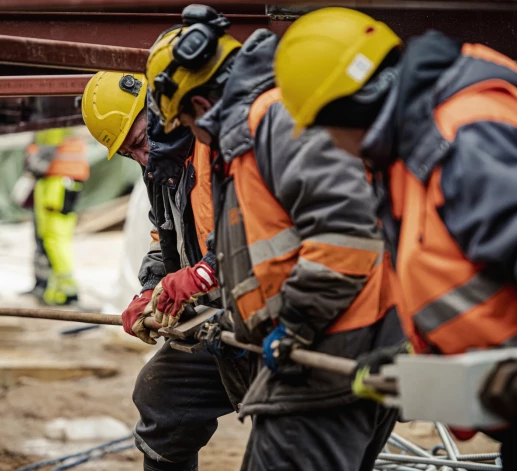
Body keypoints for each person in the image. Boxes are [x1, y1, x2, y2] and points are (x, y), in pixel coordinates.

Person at [274, 7, 517, 469]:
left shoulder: (466, 134)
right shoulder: (412, 153)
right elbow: (469, 280)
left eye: (325, 128)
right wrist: (416, 357)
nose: (331, 143)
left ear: (348, 108)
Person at [146, 5, 403, 470]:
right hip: (334, 346)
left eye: (187, 127)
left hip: (329, 351)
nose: (193, 140)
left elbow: (347, 235)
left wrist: (293, 327)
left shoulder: (276, 120)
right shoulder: (252, 133)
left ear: (201, 107)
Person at [81, 70, 251, 471]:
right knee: (162, 394)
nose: (141, 157)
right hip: (225, 318)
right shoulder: (160, 169)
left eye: (139, 142)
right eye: (128, 154)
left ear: (162, 112)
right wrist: (150, 291)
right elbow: (165, 243)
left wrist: (204, 275)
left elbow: (257, 235)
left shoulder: (223, 147)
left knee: (281, 444)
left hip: (269, 312)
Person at [23, 128, 89, 306]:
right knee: (55, 240)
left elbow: (42, 156)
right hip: (60, 183)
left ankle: (67, 291)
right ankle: (56, 289)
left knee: (54, 239)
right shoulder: (63, 122)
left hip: (55, 185)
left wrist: (30, 167)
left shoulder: (51, 123)